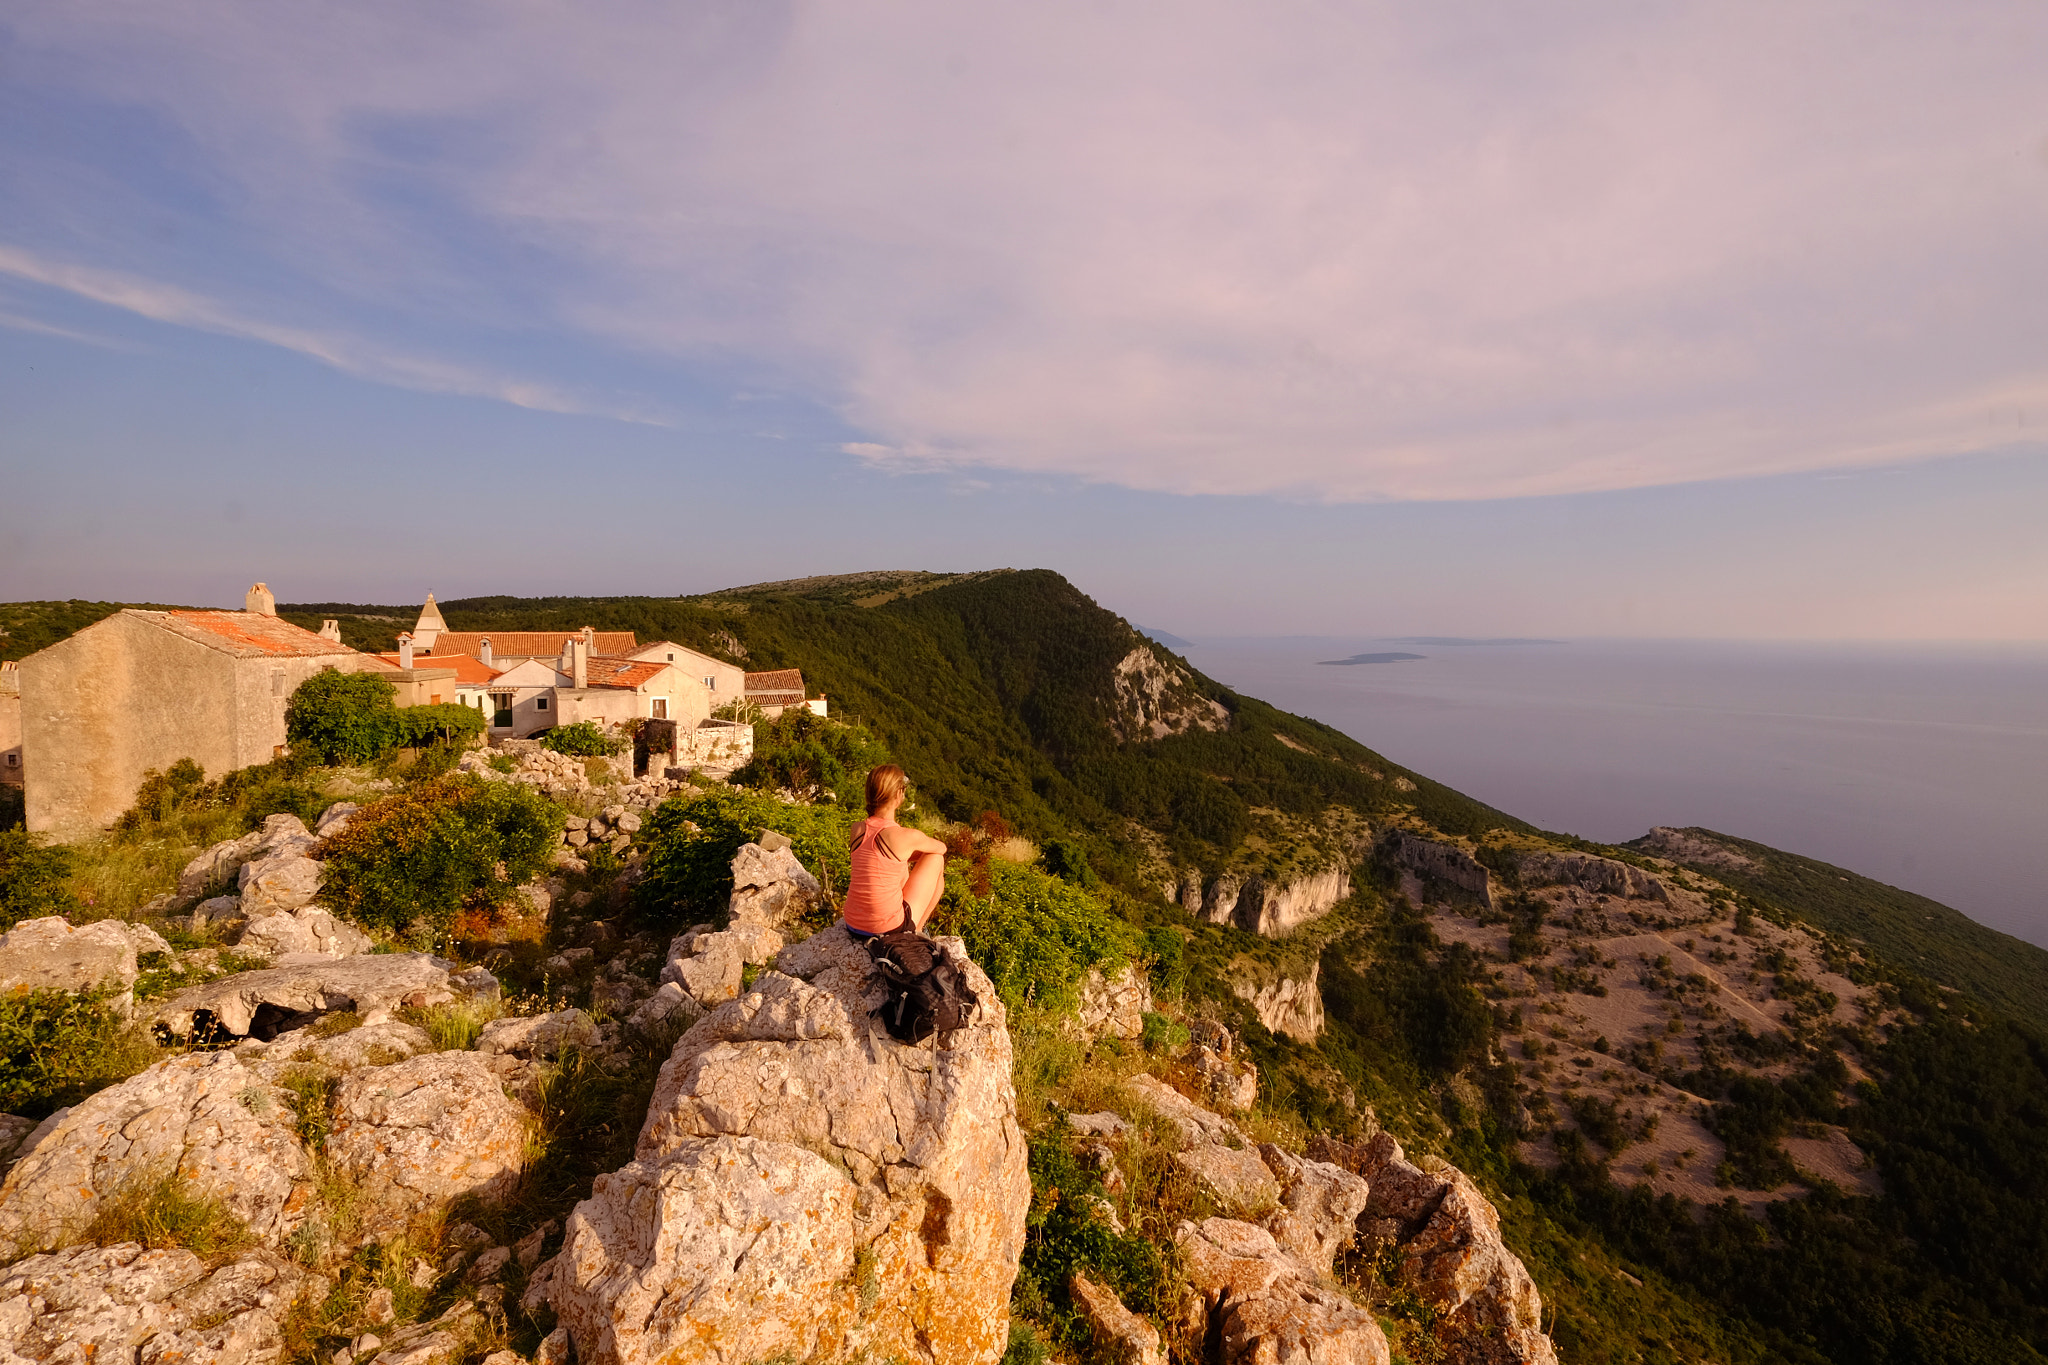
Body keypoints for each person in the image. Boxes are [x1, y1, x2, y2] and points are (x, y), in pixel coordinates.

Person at [842, 763, 948, 939]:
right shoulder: (906, 836)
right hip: (886, 929)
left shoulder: (857, 829)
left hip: (853, 925)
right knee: (936, 859)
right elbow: (941, 848)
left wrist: (905, 855)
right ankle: (917, 930)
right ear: (899, 794)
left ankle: (915, 928)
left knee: (896, 864)